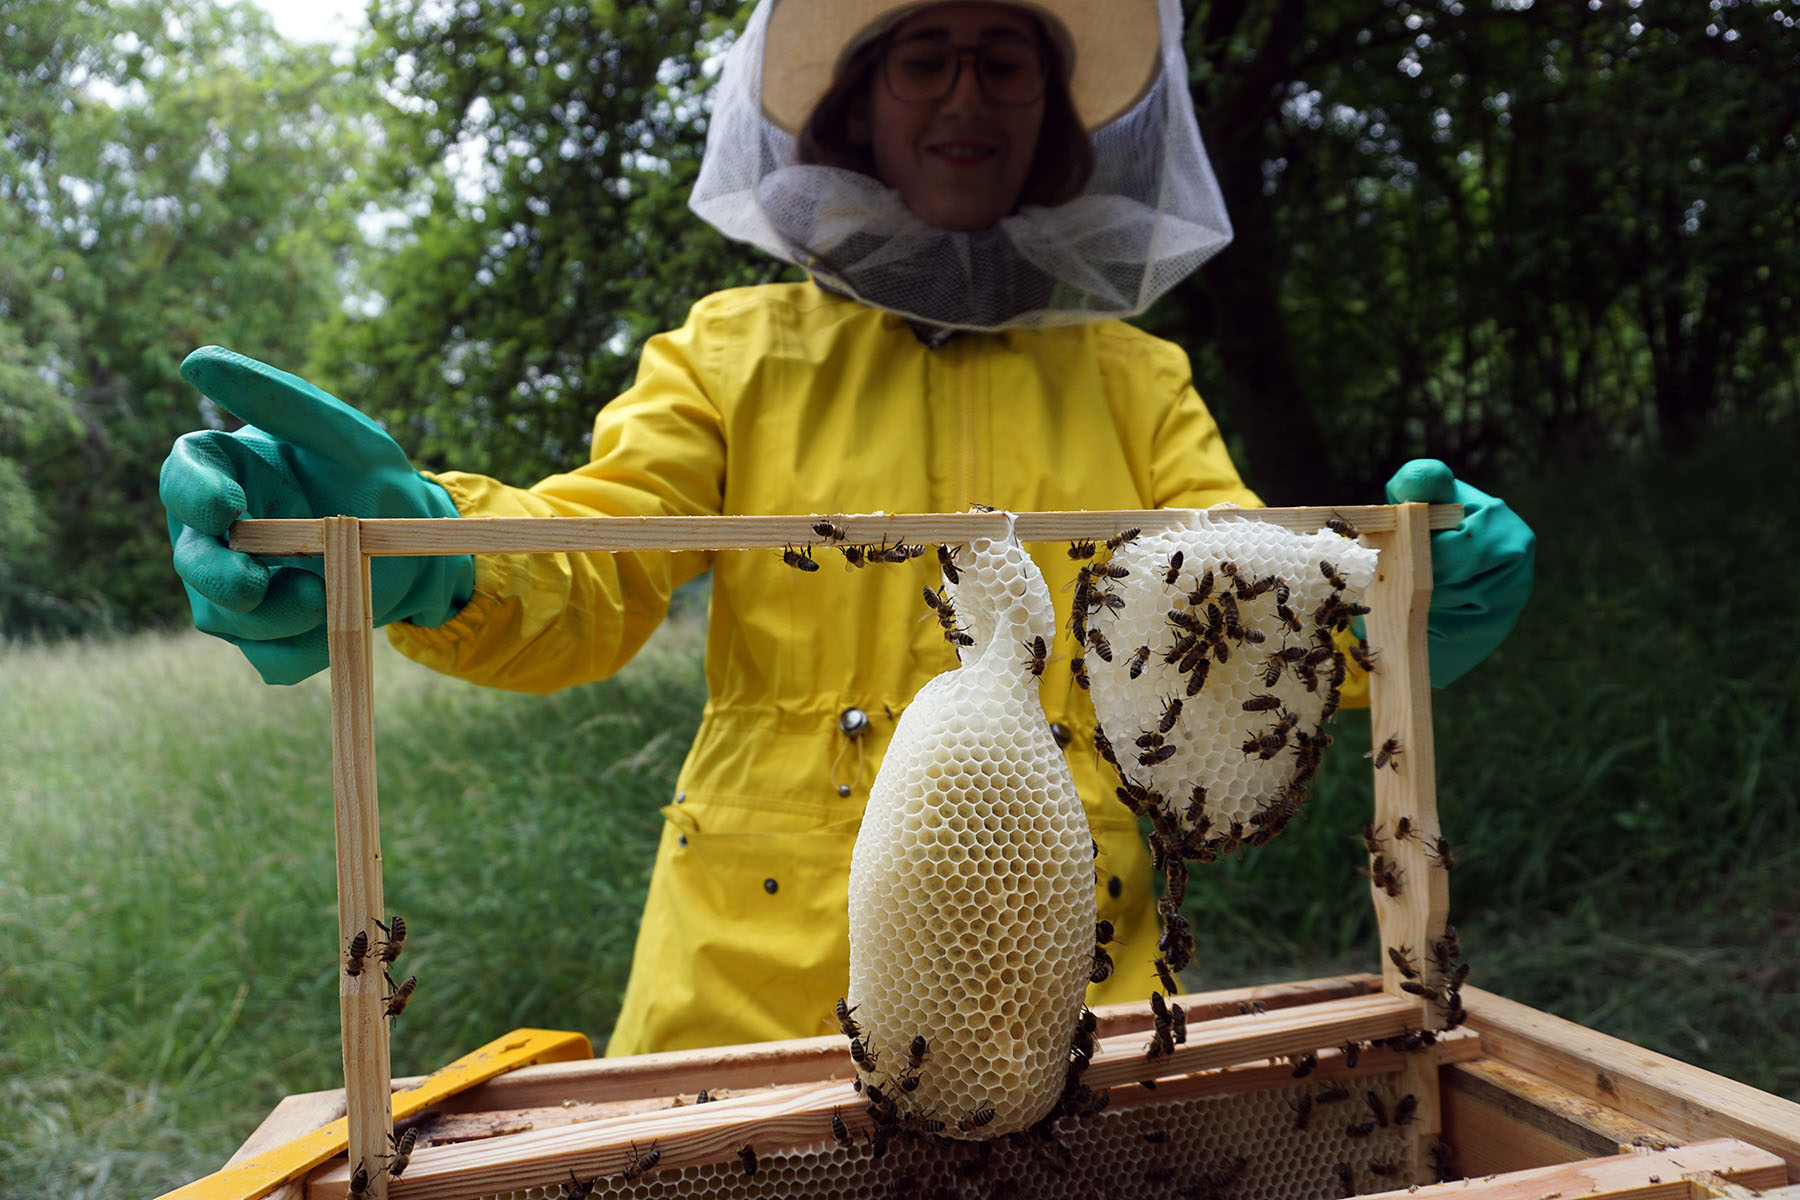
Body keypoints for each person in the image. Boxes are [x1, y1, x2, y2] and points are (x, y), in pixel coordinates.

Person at [160, 0, 1534, 1057]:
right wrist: (420, 548)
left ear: (1050, 110)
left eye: (1004, 59)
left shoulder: (1134, 377)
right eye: (922, 57)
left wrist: (1391, 602)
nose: (965, 95)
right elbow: (586, 568)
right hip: (748, 1004)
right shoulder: (730, 355)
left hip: (1067, 992)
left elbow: (1239, 611)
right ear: (857, 103)